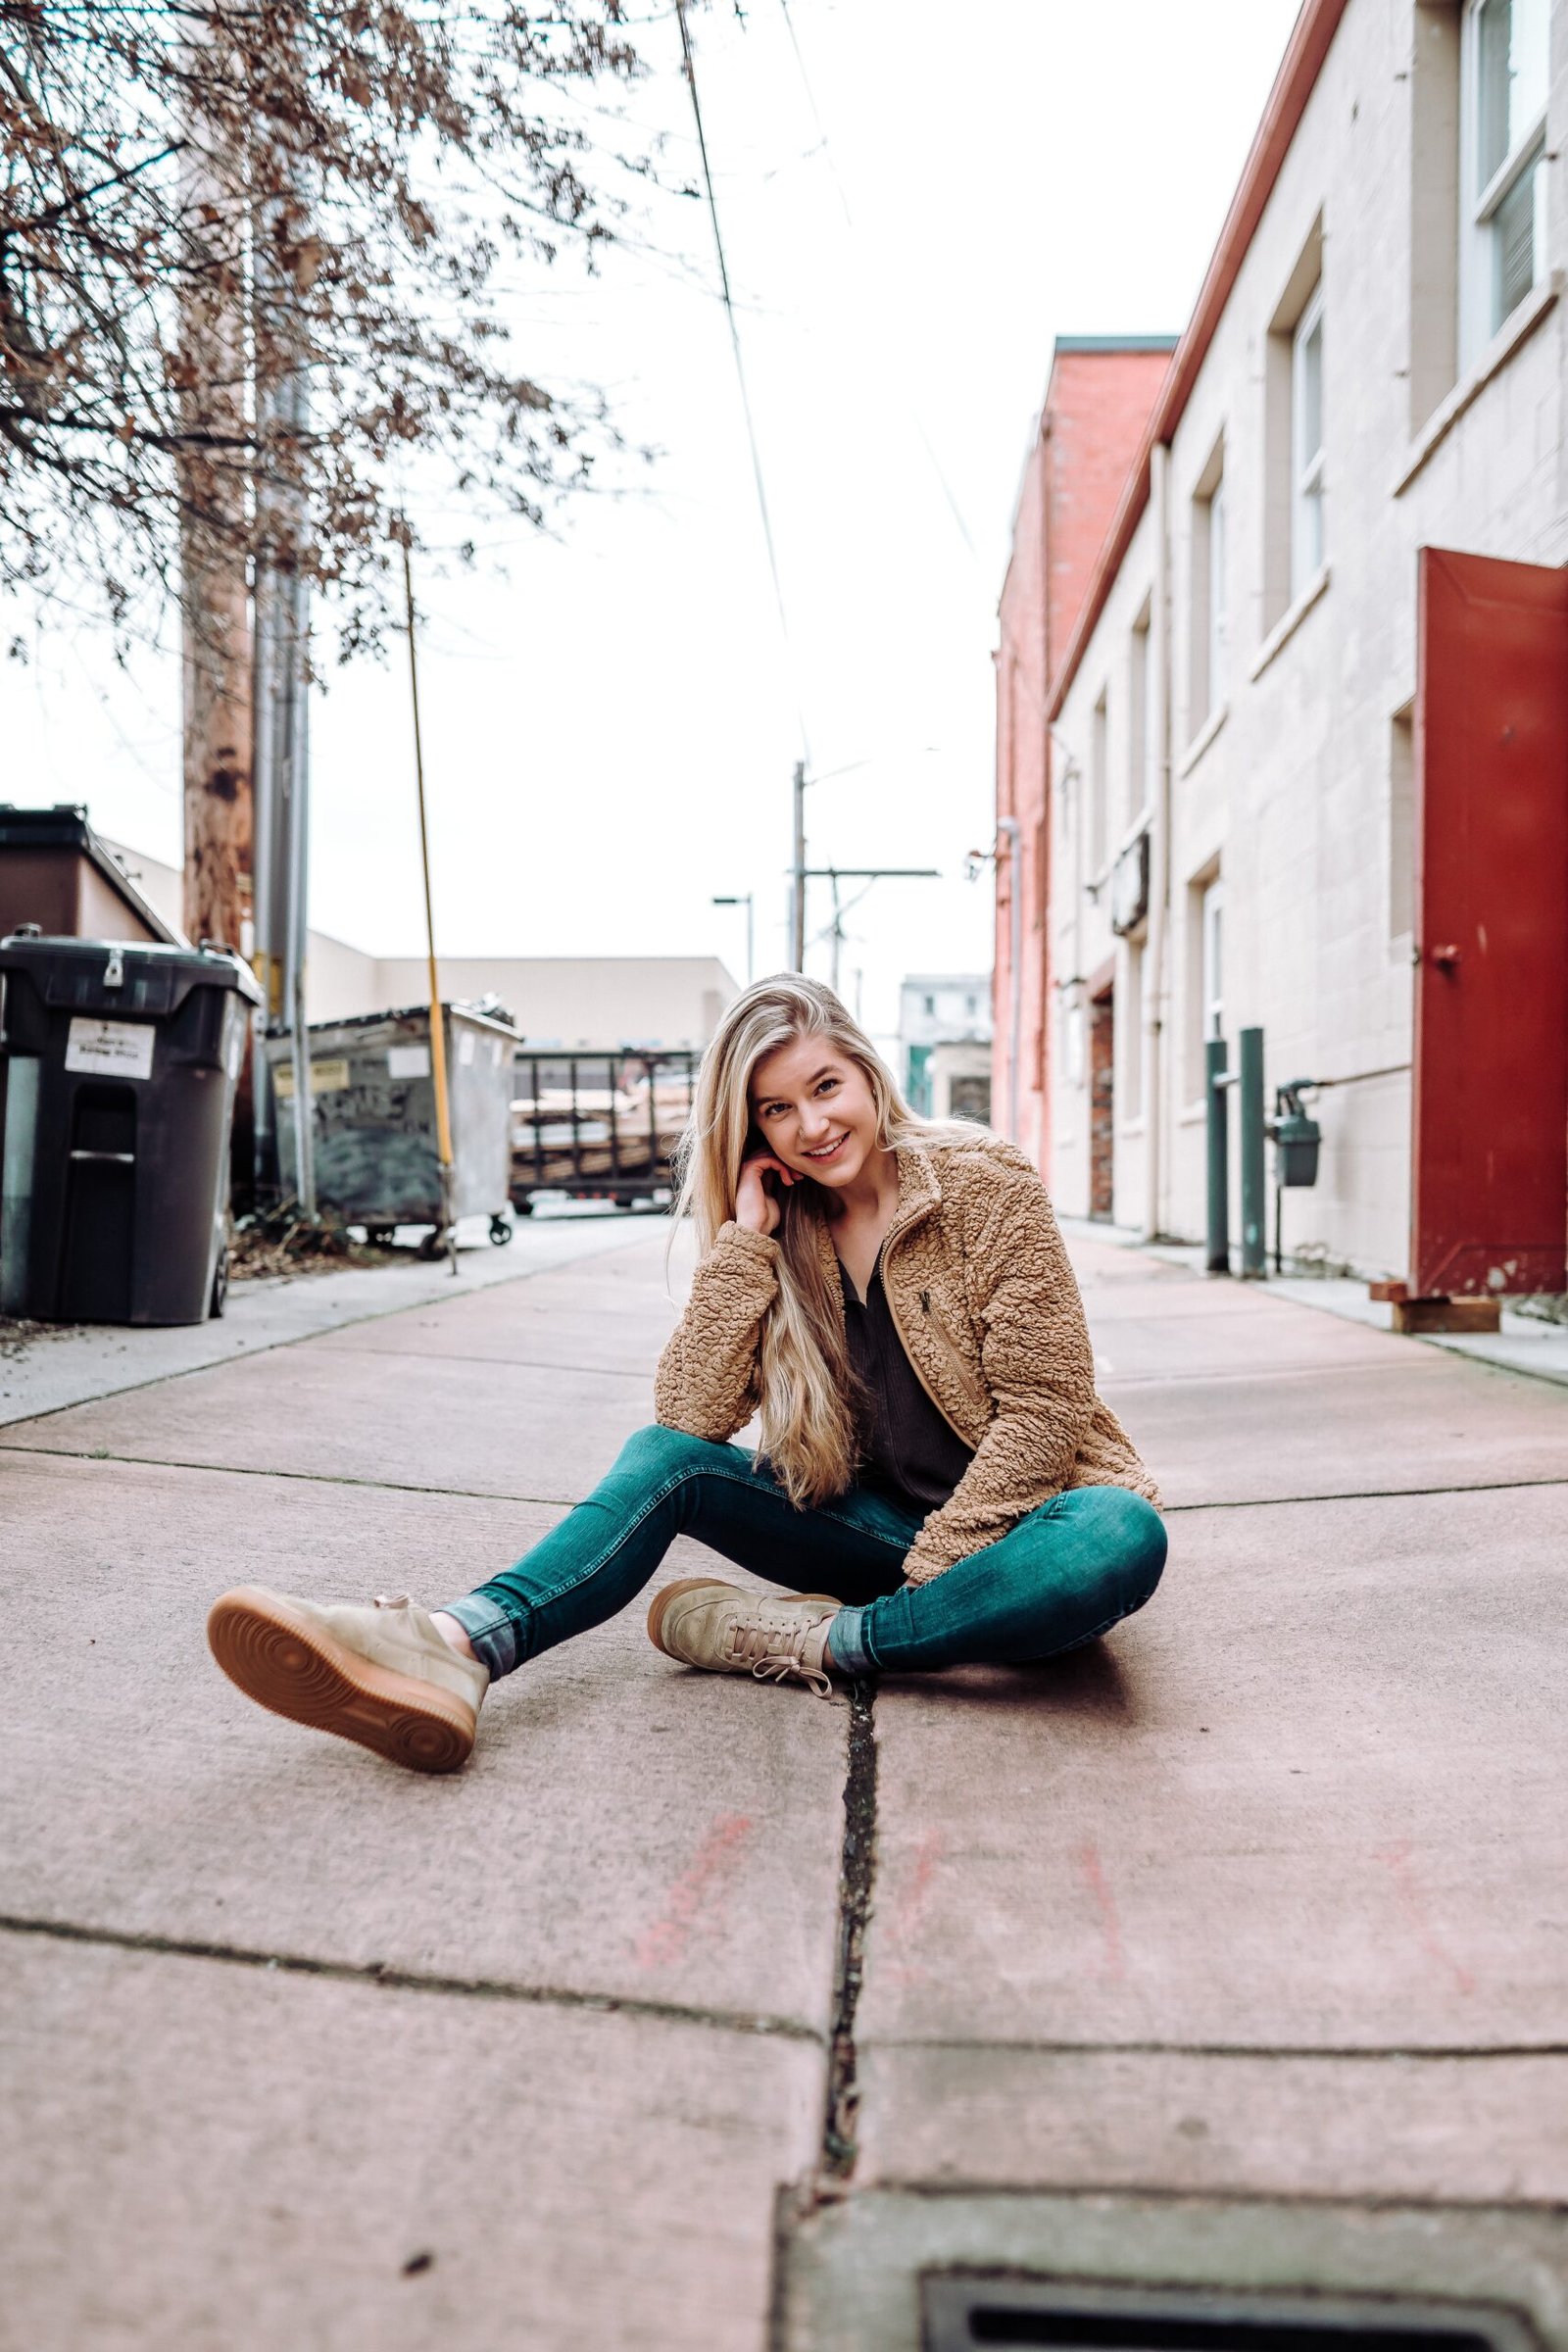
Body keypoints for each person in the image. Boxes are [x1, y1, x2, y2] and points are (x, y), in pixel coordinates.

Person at [207, 976, 1166, 1773]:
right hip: (875, 1534)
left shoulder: (983, 1185)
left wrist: (934, 1573)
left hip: (1022, 1530)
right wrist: (746, 1243)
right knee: (663, 1459)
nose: (811, 1125)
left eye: (825, 1087)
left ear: (867, 1075)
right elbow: (689, 1413)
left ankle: (818, 1642)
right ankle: (458, 1644)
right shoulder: (783, 1229)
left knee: (1120, 1537)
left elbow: (1047, 1409)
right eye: (777, 1110)